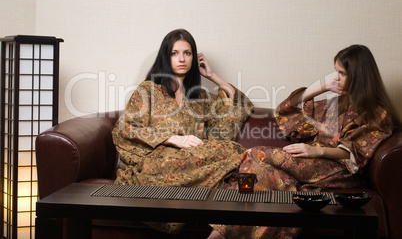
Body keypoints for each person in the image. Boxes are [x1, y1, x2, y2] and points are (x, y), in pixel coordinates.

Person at [208, 44, 400, 239]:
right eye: (336, 72)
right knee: (264, 175)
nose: (336, 78)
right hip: (312, 162)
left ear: (359, 75)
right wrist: (322, 87)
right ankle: (223, 233)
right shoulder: (335, 105)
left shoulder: (377, 114)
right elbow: (286, 109)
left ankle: (219, 236)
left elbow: (358, 151)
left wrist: (316, 151)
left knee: (255, 153)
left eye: (341, 73)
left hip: (337, 169)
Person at [112, 28, 254, 234]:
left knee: (229, 151)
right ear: (165, 57)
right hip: (158, 164)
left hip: (192, 162)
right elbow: (125, 129)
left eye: (187, 53)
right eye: (174, 53)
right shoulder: (148, 90)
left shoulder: (199, 97)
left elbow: (234, 112)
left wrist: (212, 76)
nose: (181, 59)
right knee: (234, 153)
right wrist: (173, 139)